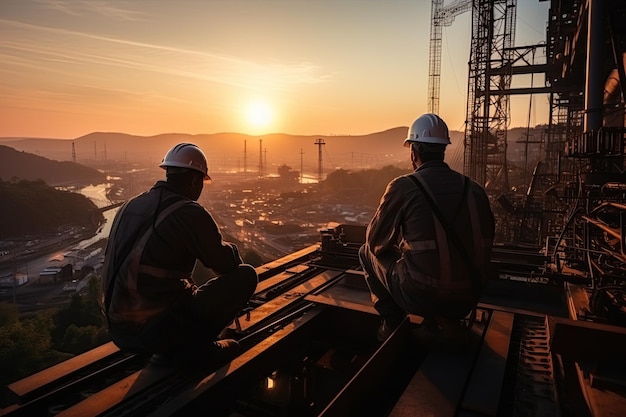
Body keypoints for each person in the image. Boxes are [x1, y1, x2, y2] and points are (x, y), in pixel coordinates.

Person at [101, 143, 258, 366]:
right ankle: (197, 348)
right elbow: (226, 266)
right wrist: (229, 246)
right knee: (246, 275)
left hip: (119, 330)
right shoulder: (189, 212)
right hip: (154, 332)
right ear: (195, 181)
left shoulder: (129, 205)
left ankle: (175, 343)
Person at [359, 113, 495, 351]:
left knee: (365, 252)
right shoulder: (474, 190)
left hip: (420, 298)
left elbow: (375, 241)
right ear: (443, 151)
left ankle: (392, 323)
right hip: (469, 296)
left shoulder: (404, 186)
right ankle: (445, 322)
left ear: (414, 153)